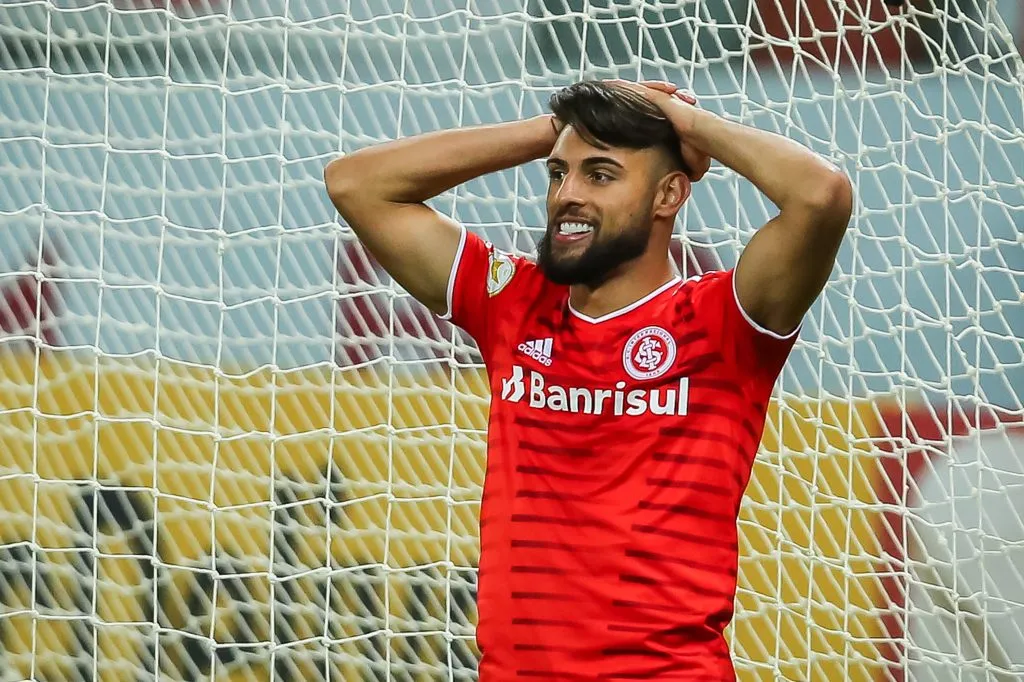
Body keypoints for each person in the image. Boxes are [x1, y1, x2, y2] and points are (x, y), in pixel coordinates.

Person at [324, 79, 852, 681]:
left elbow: (820, 195)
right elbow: (356, 184)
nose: (567, 195)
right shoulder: (511, 302)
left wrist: (681, 121)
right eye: (558, 174)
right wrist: (557, 130)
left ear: (668, 194)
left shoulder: (722, 322)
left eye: (600, 175)